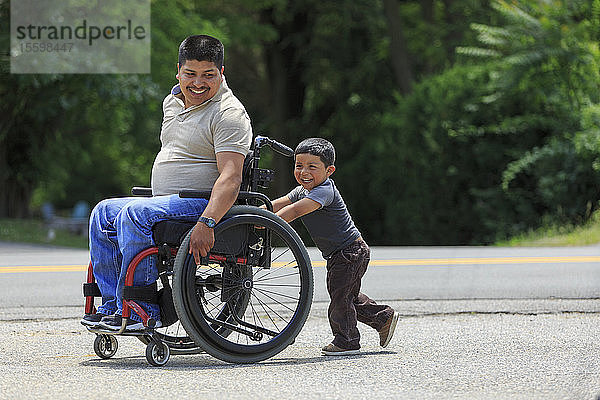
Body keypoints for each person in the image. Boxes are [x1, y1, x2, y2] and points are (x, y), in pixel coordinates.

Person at [81, 35, 253, 331]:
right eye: (190, 74)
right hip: (165, 200)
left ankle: (142, 310)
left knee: (135, 215)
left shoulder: (228, 113)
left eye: (208, 75)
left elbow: (231, 177)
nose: (198, 83)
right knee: (103, 212)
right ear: (178, 71)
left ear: (221, 73)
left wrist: (208, 222)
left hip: (201, 202)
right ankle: (113, 307)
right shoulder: (172, 102)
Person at [271, 138, 399, 355]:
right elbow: (281, 203)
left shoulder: (324, 191)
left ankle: (347, 340)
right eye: (299, 165)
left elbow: (293, 211)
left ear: (329, 170)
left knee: (341, 297)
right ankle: (383, 318)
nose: (304, 172)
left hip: (350, 251)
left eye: (312, 167)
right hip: (341, 253)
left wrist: (265, 223)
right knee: (345, 295)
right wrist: (255, 211)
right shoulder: (302, 190)